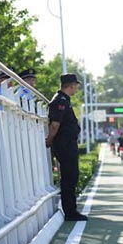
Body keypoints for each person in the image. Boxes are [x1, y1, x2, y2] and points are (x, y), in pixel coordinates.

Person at [45, 73, 88, 222]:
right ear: (70, 86)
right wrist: (49, 140)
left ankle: (71, 209)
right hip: (64, 145)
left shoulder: (64, 100)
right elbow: (55, 124)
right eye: (75, 85)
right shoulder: (60, 101)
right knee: (69, 178)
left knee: (72, 177)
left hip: (68, 144)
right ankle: (70, 212)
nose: (76, 88)